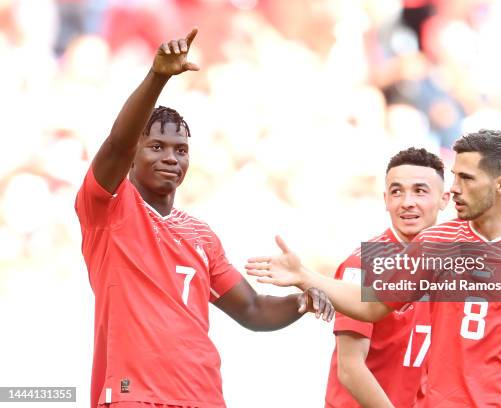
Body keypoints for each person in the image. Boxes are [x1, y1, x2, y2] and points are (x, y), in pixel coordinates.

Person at [74, 28, 334, 408]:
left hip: (203, 395)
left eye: (181, 150)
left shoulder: (200, 234)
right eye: (157, 147)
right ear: (133, 155)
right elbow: (116, 144)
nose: (171, 158)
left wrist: (303, 302)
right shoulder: (109, 209)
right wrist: (158, 76)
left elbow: (252, 309)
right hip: (134, 395)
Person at [246, 130, 501, 407]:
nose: (454, 189)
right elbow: (371, 305)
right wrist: (305, 276)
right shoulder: (436, 243)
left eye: (466, 179)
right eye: (454, 177)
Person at [325, 147, 449, 408]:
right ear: (385, 200)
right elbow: (350, 369)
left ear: (444, 199)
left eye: (420, 191)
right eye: (396, 191)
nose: (406, 202)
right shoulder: (363, 264)